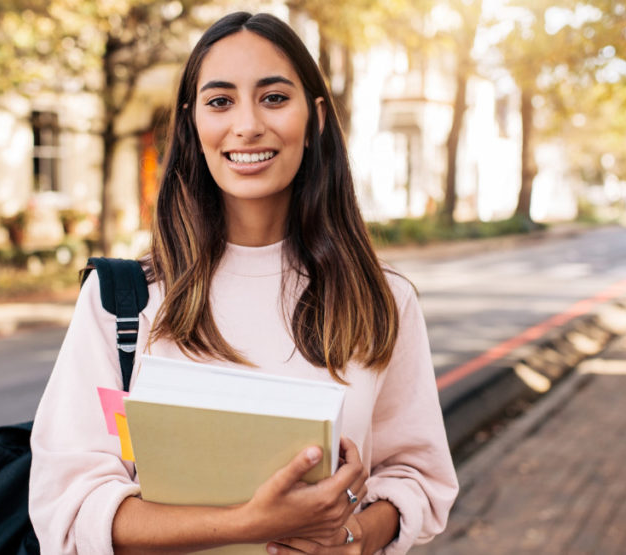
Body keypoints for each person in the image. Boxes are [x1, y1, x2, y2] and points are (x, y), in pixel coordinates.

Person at [29, 11, 458, 554]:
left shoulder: (382, 300)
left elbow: (415, 477)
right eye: (220, 101)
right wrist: (249, 523)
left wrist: (352, 540)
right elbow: (67, 507)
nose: (248, 124)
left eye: (275, 97)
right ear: (192, 124)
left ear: (316, 118)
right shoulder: (123, 303)